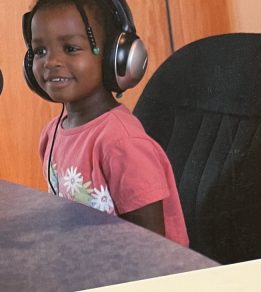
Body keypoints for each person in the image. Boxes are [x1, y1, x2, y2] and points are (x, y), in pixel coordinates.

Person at [26, 0, 188, 244]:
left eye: (70, 48)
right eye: (40, 51)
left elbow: (151, 246)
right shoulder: (52, 134)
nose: (50, 62)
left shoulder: (121, 143)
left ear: (116, 56)